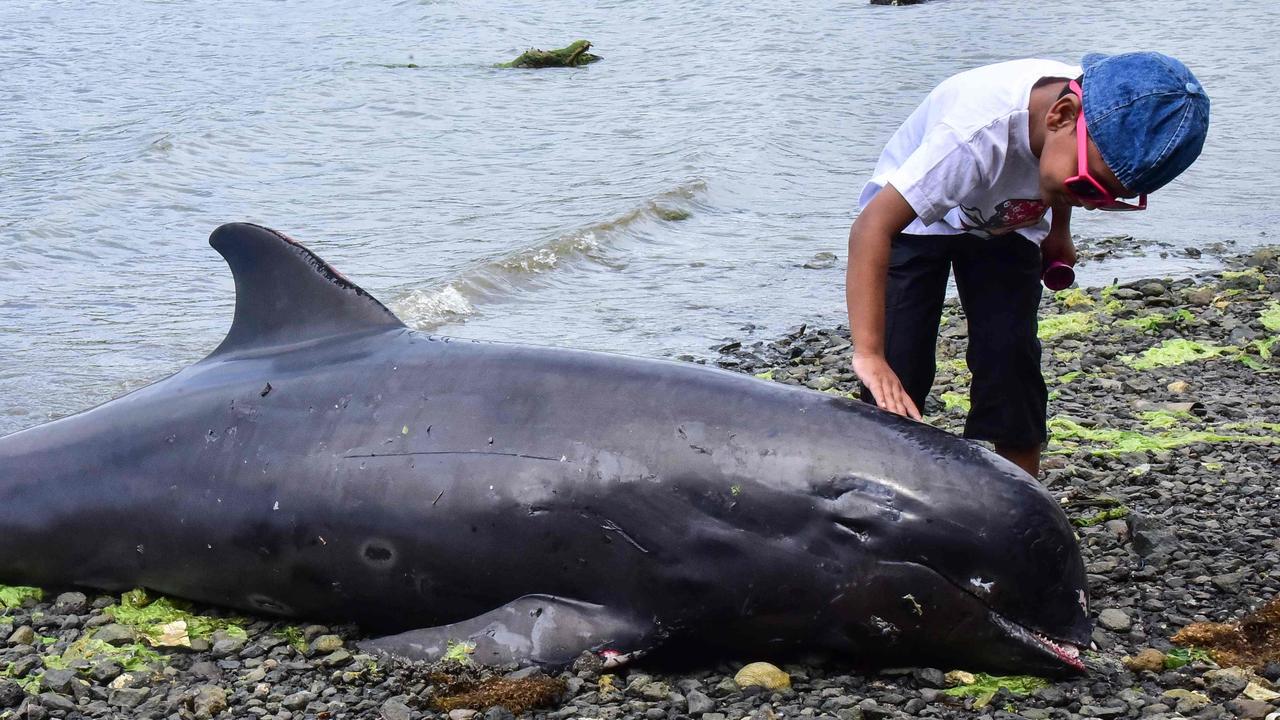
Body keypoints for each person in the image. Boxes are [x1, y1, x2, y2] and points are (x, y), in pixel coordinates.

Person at [846, 52, 1210, 477]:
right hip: (915, 221)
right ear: (1060, 115)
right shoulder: (971, 137)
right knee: (899, 359)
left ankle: (1020, 494)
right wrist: (869, 354)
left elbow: (1066, 174)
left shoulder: (1091, 115)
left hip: (1005, 220)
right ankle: (881, 484)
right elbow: (871, 229)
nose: (1092, 205)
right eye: (1089, 188)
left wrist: (1059, 232)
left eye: (1109, 199)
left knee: (1011, 356)